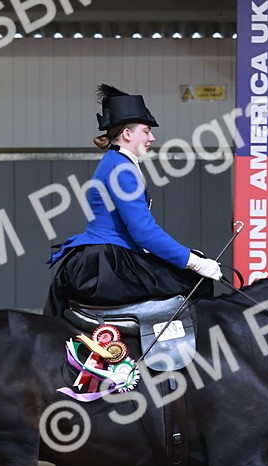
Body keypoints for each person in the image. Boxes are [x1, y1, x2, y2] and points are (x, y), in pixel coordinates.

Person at [43, 84, 223, 317]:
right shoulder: (122, 170)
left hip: (107, 257)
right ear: (128, 134)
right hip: (109, 264)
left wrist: (185, 253)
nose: (152, 138)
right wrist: (193, 262)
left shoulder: (116, 162)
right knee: (196, 280)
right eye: (146, 131)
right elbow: (144, 232)